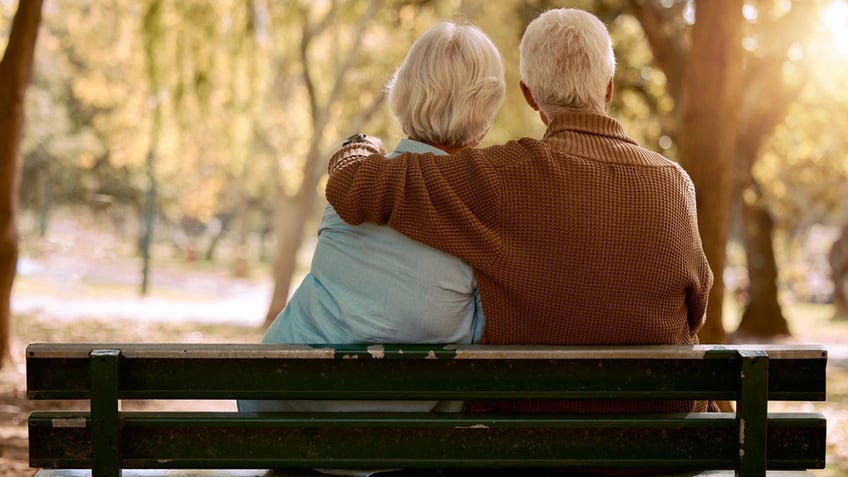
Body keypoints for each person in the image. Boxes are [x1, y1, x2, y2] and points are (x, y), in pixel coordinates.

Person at [326, 8, 715, 414]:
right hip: (667, 442)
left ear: (529, 95)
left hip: (531, 445)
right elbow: (696, 308)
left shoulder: (502, 176)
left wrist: (359, 146)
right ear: (609, 88)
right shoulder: (674, 183)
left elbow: (356, 187)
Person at [239, 21, 506, 414]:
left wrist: (358, 150)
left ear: (403, 93)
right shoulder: (483, 209)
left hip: (286, 413)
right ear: (486, 110)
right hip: (404, 435)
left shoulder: (355, 184)